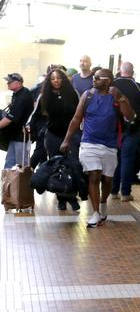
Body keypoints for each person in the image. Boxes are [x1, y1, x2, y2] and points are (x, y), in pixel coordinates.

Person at [60, 69, 134, 228]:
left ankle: (102, 203)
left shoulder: (117, 97)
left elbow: (130, 117)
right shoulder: (87, 95)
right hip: (89, 143)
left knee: (107, 179)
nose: (94, 80)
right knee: (94, 176)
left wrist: (121, 98)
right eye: (94, 77)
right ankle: (95, 213)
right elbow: (76, 118)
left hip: (110, 145)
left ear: (108, 81)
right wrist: (67, 140)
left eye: (98, 78)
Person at [30, 68, 81, 211]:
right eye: (53, 78)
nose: (56, 80)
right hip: (53, 135)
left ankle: (72, 196)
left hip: (71, 135)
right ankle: (62, 198)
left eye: (59, 78)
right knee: (57, 167)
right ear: (49, 81)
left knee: (73, 165)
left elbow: (80, 113)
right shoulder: (44, 96)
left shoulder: (73, 93)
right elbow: (34, 115)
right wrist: (28, 126)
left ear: (63, 79)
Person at [110, 62, 140, 201]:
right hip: (132, 129)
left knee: (115, 159)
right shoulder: (139, 87)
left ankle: (113, 191)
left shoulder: (112, 85)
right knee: (127, 159)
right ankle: (126, 193)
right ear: (133, 72)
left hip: (114, 129)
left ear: (119, 71)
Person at [0, 73, 34, 169]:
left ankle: (23, 184)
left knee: (21, 166)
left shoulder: (23, 96)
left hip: (21, 136)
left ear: (19, 83)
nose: (8, 83)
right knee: (9, 164)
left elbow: (9, 119)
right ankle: (9, 183)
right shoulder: (18, 94)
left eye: (10, 82)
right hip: (15, 135)